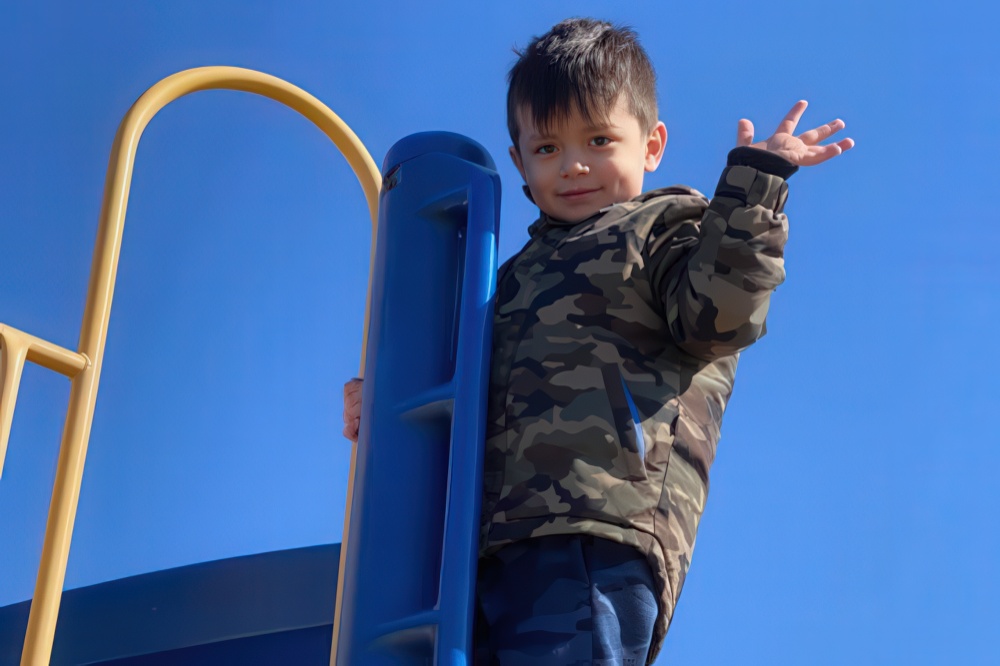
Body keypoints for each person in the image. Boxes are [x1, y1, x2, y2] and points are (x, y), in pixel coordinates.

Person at [344, 17, 853, 665]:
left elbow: (720, 317)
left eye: (599, 139)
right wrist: (387, 399)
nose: (575, 164)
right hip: (481, 551)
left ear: (652, 144)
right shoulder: (506, 281)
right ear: (520, 162)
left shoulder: (666, 227)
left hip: (596, 528)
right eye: (548, 148)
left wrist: (757, 184)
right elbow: (460, 391)